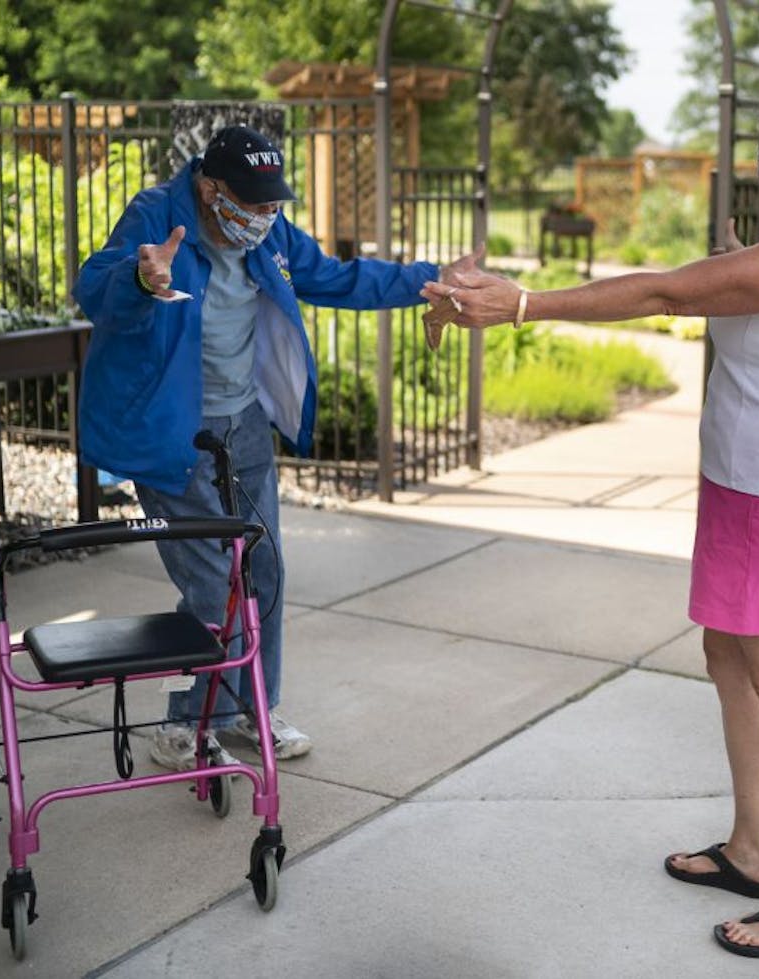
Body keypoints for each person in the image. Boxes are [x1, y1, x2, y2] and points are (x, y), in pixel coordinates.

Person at [425, 64, 759, 959]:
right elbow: (730, 288)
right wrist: (725, 264)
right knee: (727, 656)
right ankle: (752, 849)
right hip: (755, 483)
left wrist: (524, 304)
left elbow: (668, 291)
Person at [75, 124, 477, 771]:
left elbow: (335, 277)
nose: (267, 215)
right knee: (214, 586)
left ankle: (239, 710)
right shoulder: (158, 216)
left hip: (244, 426)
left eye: (273, 203)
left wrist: (428, 279)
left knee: (263, 572)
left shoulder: (268, 235)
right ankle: (191, 716)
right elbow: (93, 287)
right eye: (254, 202)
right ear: (211, 189)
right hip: (169, 430)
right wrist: (140, 279)